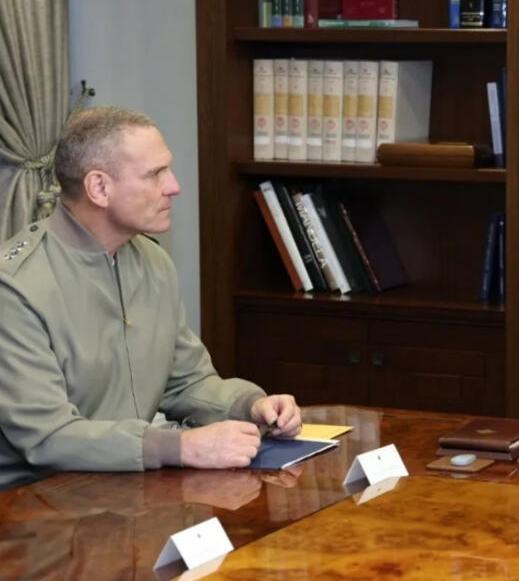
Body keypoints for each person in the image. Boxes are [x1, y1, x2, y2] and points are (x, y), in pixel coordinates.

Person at [0, 106, 302, 489]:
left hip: (129, 490)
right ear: (99, 188)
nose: (173, 186)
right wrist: (179, 447)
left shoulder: (153, 262)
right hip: (35, 503)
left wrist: (250, 405)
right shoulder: (15, 287)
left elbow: (185, 382)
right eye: (154, 174)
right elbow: (47, 437)